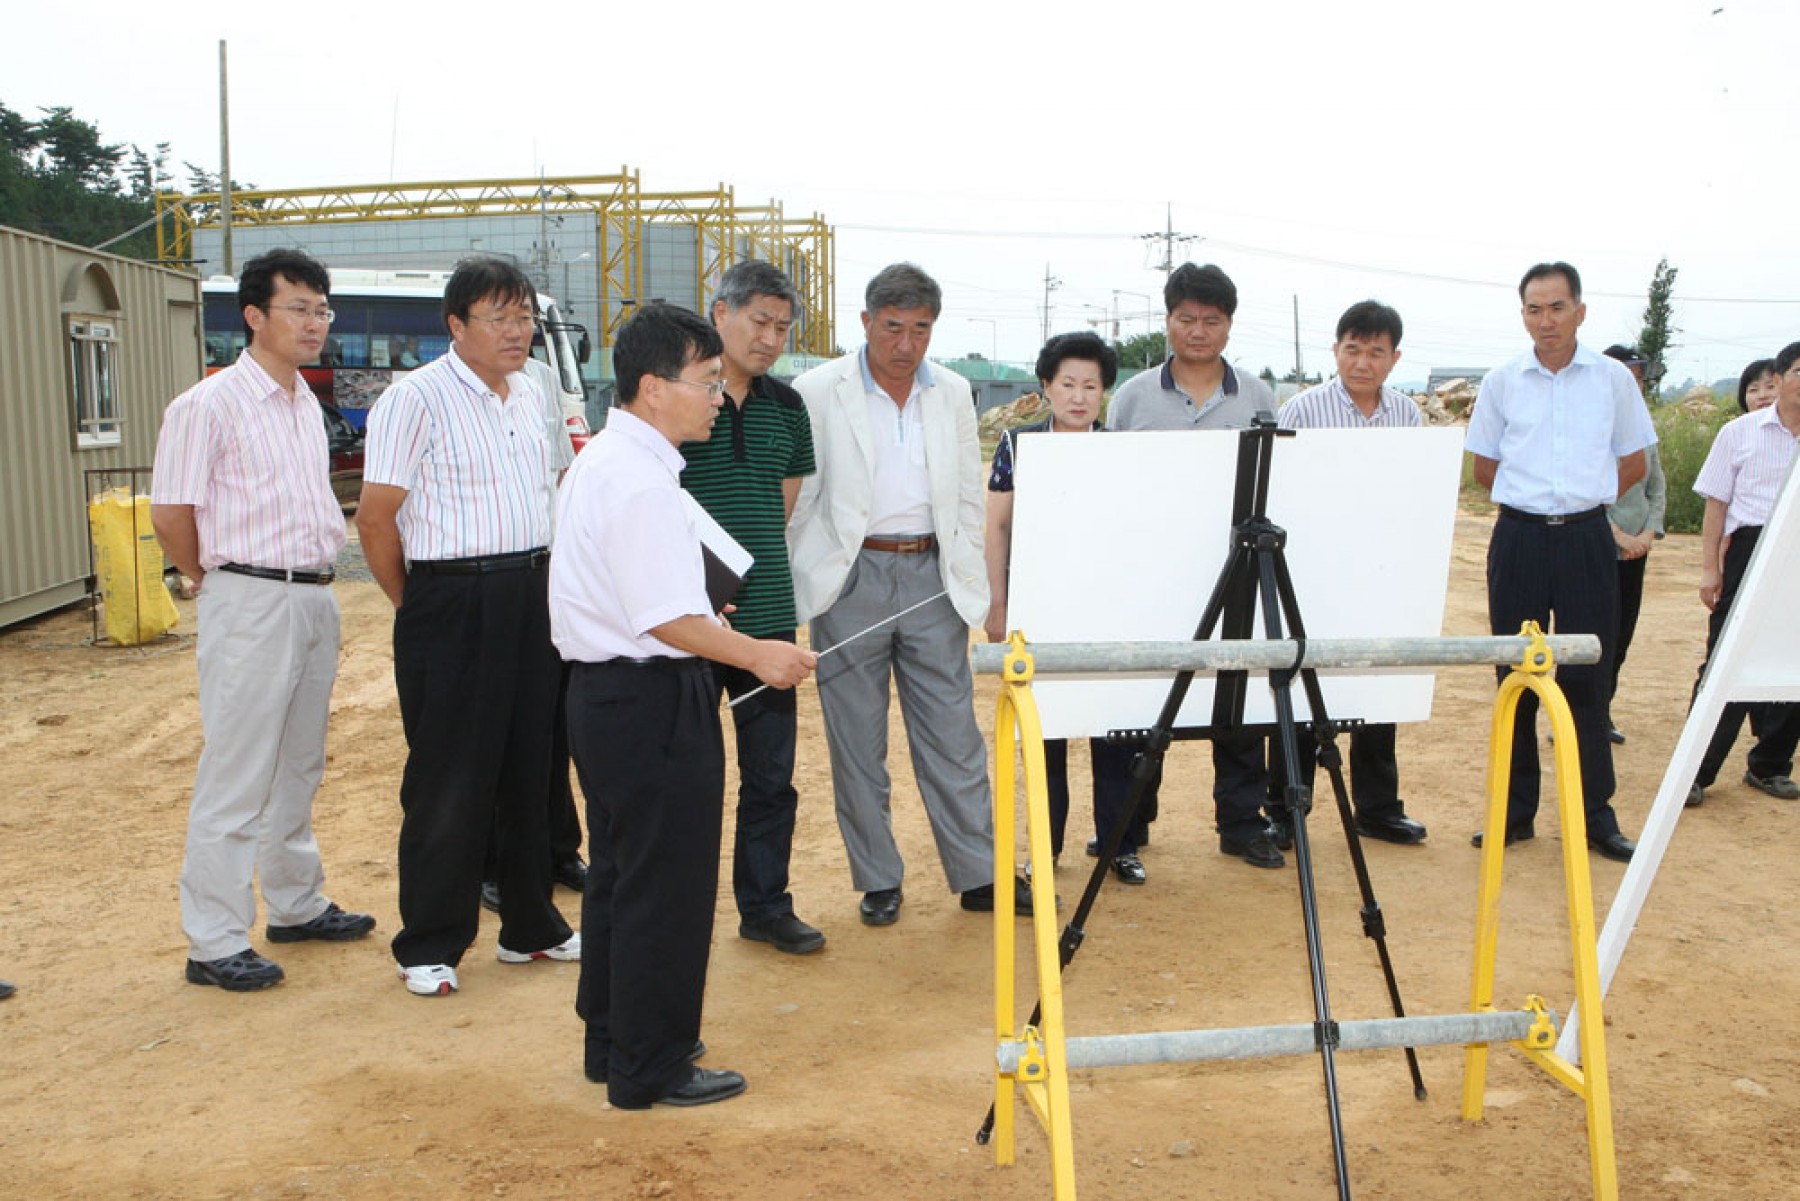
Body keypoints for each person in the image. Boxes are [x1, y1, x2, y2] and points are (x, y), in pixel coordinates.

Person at [551, 302, 817, 1108]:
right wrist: (760, 655)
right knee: (664, 882)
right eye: (704, 382)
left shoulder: (615, 462)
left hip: (613, 695)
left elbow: (657, 597)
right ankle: (651, 1063)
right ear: (651, 387)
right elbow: (663, 618)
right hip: (646, 696)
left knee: (623, 875)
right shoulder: (635, 478)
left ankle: (615, 1040)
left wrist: (705, 618)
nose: (715, 396)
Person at [150, 248, 375, 992]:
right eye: (300, 308)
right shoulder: (207, 405)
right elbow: (172, 512)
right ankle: (213, 939)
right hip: (246, 596)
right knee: (239, 768)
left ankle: (295, 902)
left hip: (312, 595)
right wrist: (209, 577)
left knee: (298, 762)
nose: (316, 322)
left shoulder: (305, 404)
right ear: (254, 316)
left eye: (323, 308)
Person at [358, 256, 577, 997]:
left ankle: (530, 925)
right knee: (449, 778)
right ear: (457, 326)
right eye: (501, 318)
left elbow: (556, 484)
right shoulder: (413, 398)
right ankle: (430, 940)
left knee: (531, 767)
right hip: (451, 599)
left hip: (532, 591)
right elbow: (376, 516)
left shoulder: (535, 390)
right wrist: (416, 603)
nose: (518, 333)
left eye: (524, 319)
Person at [789, 262, 1029, 926]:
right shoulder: (816, 389)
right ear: (865, 322)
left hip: (931, 577)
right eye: (892, 327)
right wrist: (795, 583)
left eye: (920, 329)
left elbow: (962, 495)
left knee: (954, 735)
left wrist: (979, 590)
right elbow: (802, 497)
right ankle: (878, 878)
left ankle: (980, 873)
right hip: (850, 579)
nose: (905, 344)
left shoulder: (951, 392)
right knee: (856, 739)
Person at [1464, 261, 1655, 863]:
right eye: (1533, 310)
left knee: (1586, 679)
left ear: (1580, 311)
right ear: (1522, 314)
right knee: (1514, 675)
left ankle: (1594, 816)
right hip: (1518, 538)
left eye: (1556, 308)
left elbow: (1634, 462)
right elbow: (1485, 468)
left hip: (1584, 541)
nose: (1546, 321)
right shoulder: (1501, 381)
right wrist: (1535, 499)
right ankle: (1514, 814)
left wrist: (1583, 498)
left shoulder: (1611, 380)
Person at [1104, 262, 1287, 870]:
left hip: (1234, 570)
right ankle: (1130, 823)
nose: (1198, 331)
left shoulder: (1259, 396)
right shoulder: (1132, 398)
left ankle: (1241, 822)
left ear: (1229, 326)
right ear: (1167, 321)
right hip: (1151, 571)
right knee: (1148, 697)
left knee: (1237, 693)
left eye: (1211, 320)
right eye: (1186, 319)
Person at [679, 261, 826, 954]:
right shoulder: (682, 400)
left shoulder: (788, 406)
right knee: (684, 777)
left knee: (771, 777)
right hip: (689, 623)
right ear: (720, 314)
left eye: (782, 326)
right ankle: (676, 911)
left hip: (768, 615)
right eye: (759, 321)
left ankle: (765, 905)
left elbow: (786, 502)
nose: (770, 338)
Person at [1270, 300, 1430, 846]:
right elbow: (1281, 490)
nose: (1363, 362)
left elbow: (1414, 494)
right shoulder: (1302, 410)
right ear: (1336, 350)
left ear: (1395, 358)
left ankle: (1379, 807)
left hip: (1380, 570)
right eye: (1353, 349)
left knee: (1377, 684)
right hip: (1312, 569)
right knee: (1298, 682)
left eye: (1376, 352)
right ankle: (1286, 809)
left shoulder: (1407, 415)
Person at [983, 331, 1141, 884]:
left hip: (1108, 610)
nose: (1079, 397)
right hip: (1039, 608)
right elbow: (997, 526)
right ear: (1046, 387)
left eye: (1090, 386)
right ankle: (1043, 852)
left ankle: (1120, 845)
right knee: (1044, 733)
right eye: (1067, 384)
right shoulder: (1017, 445)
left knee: (1116, 733)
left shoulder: (1119, 448)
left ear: (1105, 393)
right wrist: (998, 604)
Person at [1684, 341, 1800, 807]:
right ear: (1780, 377)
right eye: (1798, 370)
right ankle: (1694, 770)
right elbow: (1716, 505)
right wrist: (1710, 568)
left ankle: (1770, 765)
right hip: (1749, 548)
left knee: (1794, 661)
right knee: (1725, 659)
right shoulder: (1741, 432)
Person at [1599, 344, 1667, 747]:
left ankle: (1602, 710)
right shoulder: (1591, 429)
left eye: (1639, 380)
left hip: (1636, 550)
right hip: (1597, 545)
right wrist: (1616, 535)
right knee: (1592, 636)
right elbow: (1582, 495)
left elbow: (1657, 487)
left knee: (1622, 634)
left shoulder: (1645, 432)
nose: (1634, 386)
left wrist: (1647, 534)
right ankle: (1577, 717)